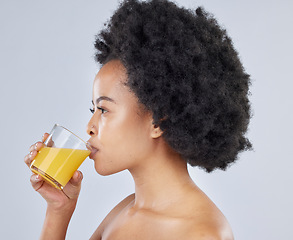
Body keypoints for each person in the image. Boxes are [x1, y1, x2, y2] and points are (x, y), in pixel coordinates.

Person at [24, 0, 252, 239]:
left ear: (157, 121)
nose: (89, 127)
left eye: (103, 110)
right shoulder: (123, 212)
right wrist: (58, 210)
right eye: (92, 110)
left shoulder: (200, 234)